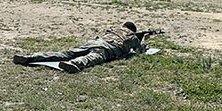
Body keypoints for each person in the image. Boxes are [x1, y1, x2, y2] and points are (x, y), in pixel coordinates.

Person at [12, 22, 150, 73]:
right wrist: (143, 39)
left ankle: (30, 57)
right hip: (107, 49)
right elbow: (140, 51)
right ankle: (73, 64)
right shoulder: (132, 36)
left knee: (64, 53)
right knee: (91, 58)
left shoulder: (114, 29)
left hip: (93, 43)